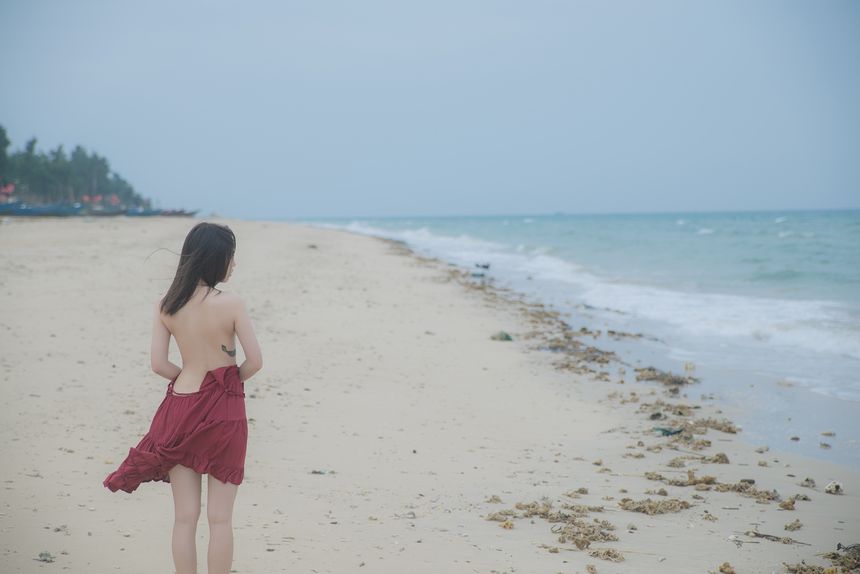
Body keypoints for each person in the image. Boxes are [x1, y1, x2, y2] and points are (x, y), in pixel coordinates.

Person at [103, 222, 263, 574]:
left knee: (184, 518)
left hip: (181, 403)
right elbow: (255, 361)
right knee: (220, 519)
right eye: (231, 257)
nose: (234, 264)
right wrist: (226, 384)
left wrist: (190, 379)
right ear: (216, 259)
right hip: (225, 409)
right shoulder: (232, 304)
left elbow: (159, 364)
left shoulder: (167, 305)